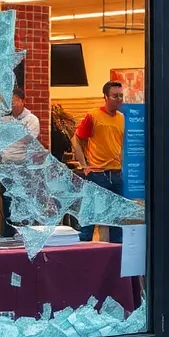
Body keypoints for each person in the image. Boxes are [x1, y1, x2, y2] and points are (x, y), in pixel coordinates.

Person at [73, 80, 126, 244]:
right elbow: (76, 139)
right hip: (98, 174)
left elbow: (122, 144)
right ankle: (82, 256)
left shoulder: (122, 118)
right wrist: (84, 165)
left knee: (117, 221)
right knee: (89, 219)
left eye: (121, 96)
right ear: (106, 97)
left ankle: (117, 257)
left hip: (117, 173)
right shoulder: (94, 115)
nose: (119, 99)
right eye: (115, 96)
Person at [0, 87, 41, 237]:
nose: (12, 104)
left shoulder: (32, 120)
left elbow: (28, 140)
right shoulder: (4, 119)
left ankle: (25, 233)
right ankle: (8, 233)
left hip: (24, 167)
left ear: (23, 101)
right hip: (5, 166)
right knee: (7, 200)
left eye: (14, 101)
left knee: (22, 200)